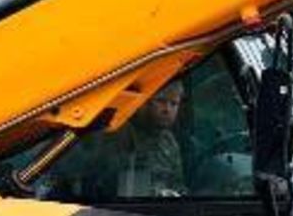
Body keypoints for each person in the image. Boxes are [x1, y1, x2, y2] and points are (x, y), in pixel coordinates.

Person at [43, 80, 187, 202]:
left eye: (174, 104)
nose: (167, 110)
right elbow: (104, 181)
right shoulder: (117, 132)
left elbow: (177, 183)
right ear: (144, 102)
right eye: (161, 101)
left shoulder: (169, 141)